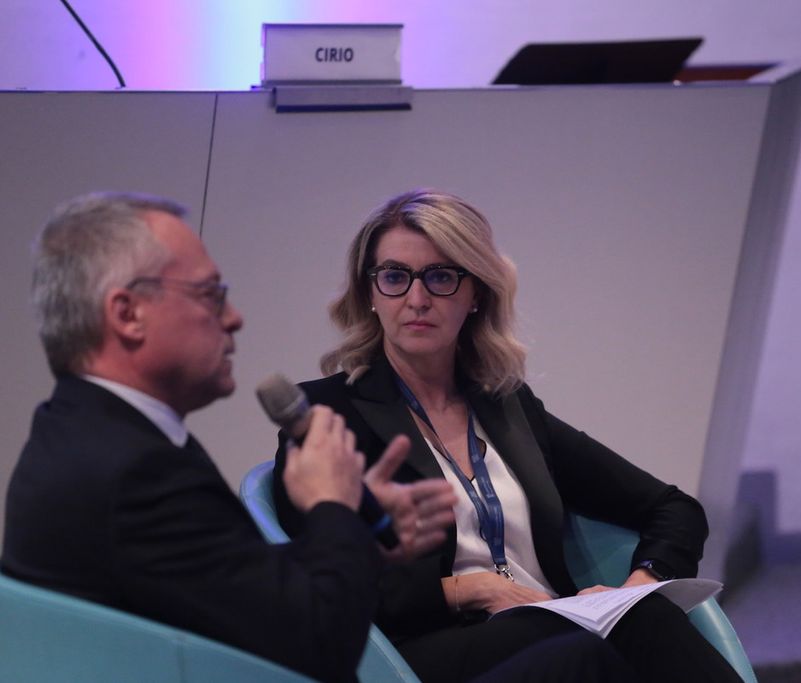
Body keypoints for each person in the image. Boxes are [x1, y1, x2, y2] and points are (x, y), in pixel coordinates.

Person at [272, 189, 743, 683]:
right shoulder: (326, 416)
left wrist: (633, 590)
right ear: (369, 293)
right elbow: (322, 581)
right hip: (420, 654)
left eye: (441, 276)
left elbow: (673, 509)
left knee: (645, 618)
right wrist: (470, 589)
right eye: (394, 277)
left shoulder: (507, 407)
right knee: (582, 645)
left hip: (551, 626)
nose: (416, 299)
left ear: (477, 293)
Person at [0, 192, 460, 682]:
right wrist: (333, 506)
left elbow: (233, 584)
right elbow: (322, 647)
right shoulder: (134, 472)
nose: (234, 317)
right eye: (209, 294)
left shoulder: (82, 430)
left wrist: (359, 532)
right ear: (128, 314)